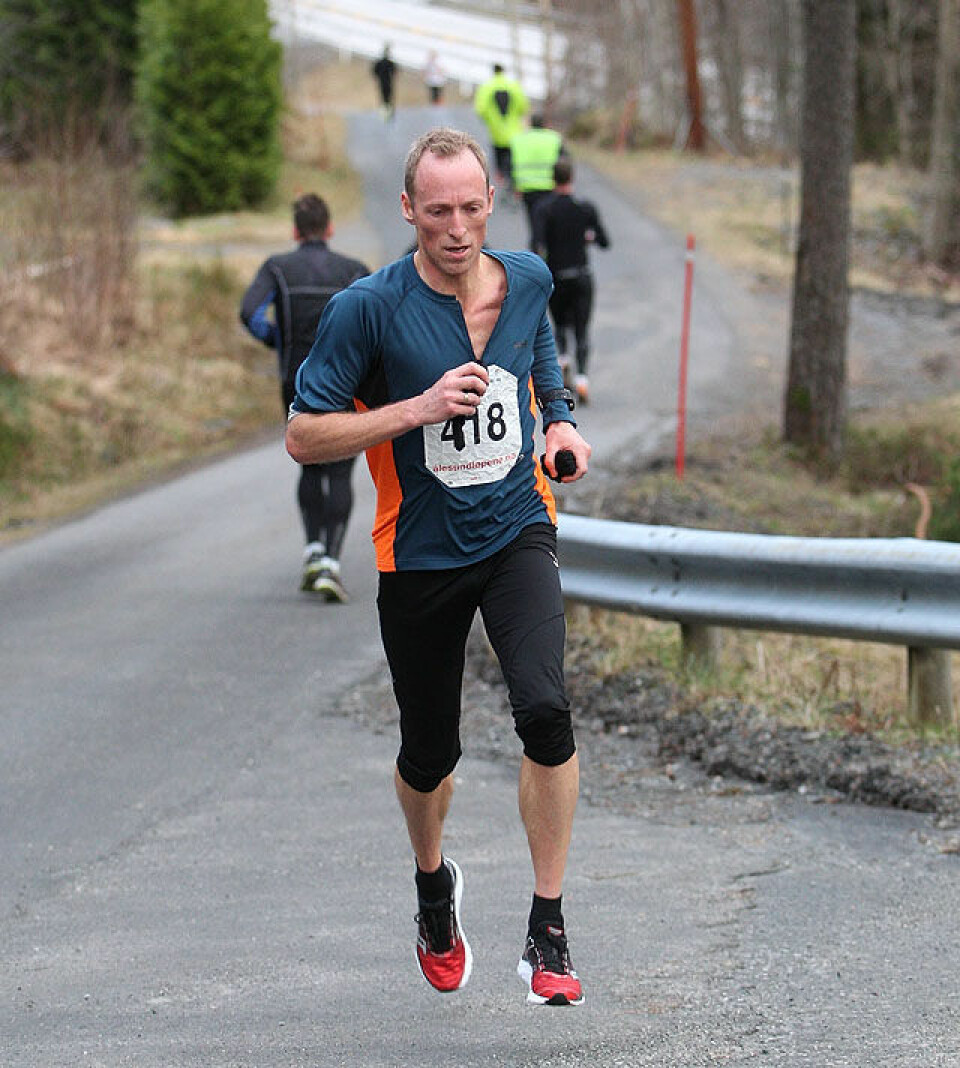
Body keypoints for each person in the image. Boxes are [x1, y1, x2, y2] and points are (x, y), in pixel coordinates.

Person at [286, 128, 592, 1006]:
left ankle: (548, 927)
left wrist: (561, 423)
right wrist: (413, 408)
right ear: (409, 209)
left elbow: (537, 357)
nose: (456, 228)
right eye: (438, 211)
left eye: (470, 208)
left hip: (516, 532)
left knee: (545, 707)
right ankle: (432, 888)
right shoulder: (367, 309)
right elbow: (304, 434)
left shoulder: (526, 278)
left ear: (490, 202)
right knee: (431, 752)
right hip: (416, 553)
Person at [241, 193, 369, 601]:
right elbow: (379, 317)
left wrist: (274, 339)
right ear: (329, 229)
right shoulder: (352, 270)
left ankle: (313, 550)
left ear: (295, 230)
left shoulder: (278, 267)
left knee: (309, 464)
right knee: (341, 471)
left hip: (295, 379)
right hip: (346, 383)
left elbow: (249, 311)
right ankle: (330, 560)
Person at [532, 158, 610, 404]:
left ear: (552, 179)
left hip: (556, 277)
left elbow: (537, 246)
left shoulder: (544, 209)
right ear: (572, 178)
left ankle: (563, 360)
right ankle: (583, 379)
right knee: (582, 330)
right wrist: (588, 236)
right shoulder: (585, 208)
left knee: (561, 326)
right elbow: (605, 241)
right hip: (581, 276)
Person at [510, 113, 565, 244]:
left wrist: (515, 186)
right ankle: (548, 246)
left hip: (527, 188)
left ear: (530, 124)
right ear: (545, 124)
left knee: (534, 222)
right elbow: (564, 161)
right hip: (550, 187)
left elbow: (512, 164)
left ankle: (536, 248)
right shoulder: (554, 138)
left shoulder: (518, 139)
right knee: (550, 221)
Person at [473, 63, 528, 190]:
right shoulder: (514, 86)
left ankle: (501, 179)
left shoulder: (487, 86)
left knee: (499, 154)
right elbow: (523, 106)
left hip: (496, 131)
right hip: (513, 131)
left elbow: (481, 109)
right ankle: (512, 179)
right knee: (512, 156)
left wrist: (489, 120)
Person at [372, 44, 397, 120]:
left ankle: (384, 115)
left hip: (382, 83)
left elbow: (374, 71)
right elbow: (394, 72)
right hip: (388, 83)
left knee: (383, 98)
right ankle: (388, 114)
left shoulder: (380, 63)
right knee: (388, 98)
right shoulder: (389, 63)